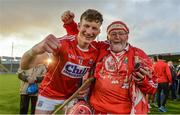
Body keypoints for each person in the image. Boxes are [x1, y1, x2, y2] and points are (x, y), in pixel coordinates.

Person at [61, 11, 157, 114]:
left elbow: (153, 87)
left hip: (125, 112)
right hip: (97, 110)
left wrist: (142, 80)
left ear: (127, 37)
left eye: (121, 33)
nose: (117, 37)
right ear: (108, 37)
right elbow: (83, 37)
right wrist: (70, 24)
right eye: (113, 34)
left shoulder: (139, 55)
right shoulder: (100, 49)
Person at [20, 9, 103, 114]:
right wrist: (34, 50)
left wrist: (84, 88)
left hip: (72, 96)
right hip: (49, 94)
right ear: (78, 26)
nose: (89, 32)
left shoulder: (97, 49)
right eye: (86, 26)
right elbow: (24, 65)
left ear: (99, 32)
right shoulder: (62, 44)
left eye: (94, 28)